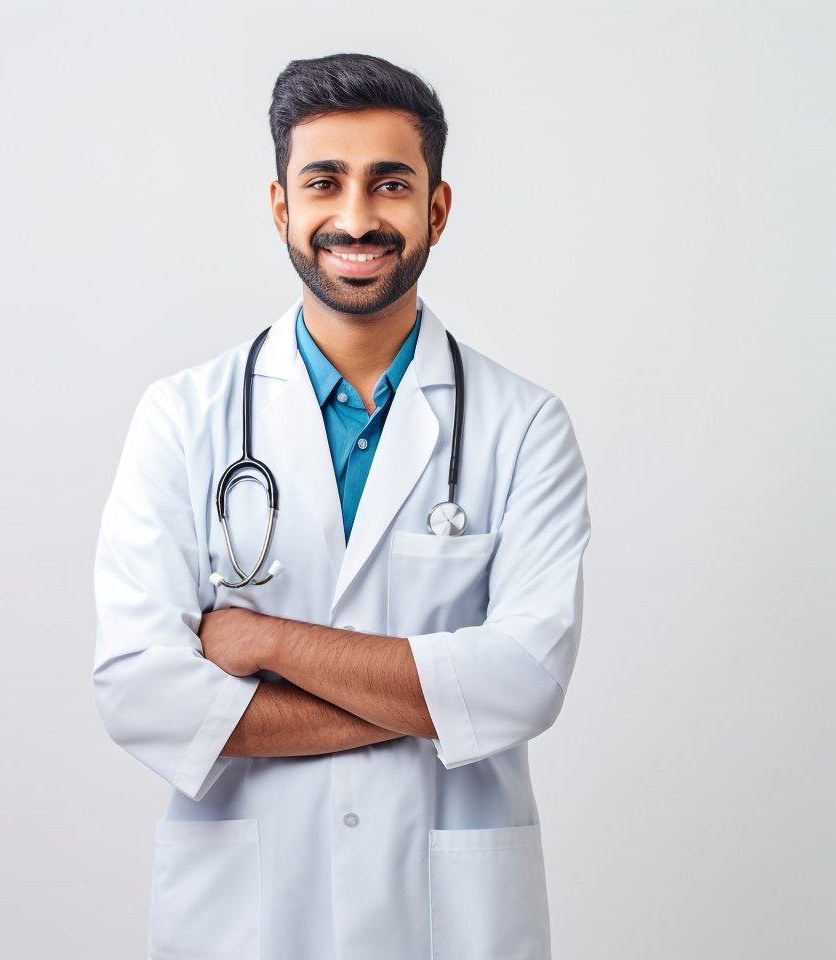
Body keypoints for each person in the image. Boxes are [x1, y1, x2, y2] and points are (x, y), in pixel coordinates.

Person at [94, 52, 590, 960]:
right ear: (282, 205)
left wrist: (270, 643)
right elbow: (139, 691)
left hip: (448, 920)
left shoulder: (524, 427)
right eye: (325, 181)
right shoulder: (183, 418)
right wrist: (435, 700)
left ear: (435, 208)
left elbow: (524, 683)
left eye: (390, 184)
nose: (356, 218)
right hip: (245, 914)